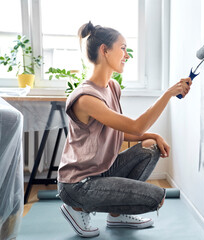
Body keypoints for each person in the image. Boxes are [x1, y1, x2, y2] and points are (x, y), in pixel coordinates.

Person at [57, 21, 191, 238]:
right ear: (104, 50)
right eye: (123, 48)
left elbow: (118, 132)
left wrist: (153, 135)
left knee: (150, 147)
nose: (127, 55)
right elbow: (136, 125)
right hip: (79, 185)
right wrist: (167, 94)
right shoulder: (86, 98)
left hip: (102, 170)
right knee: (155, 198)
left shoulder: (112, 87)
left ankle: (117, 215)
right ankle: (76, 208)